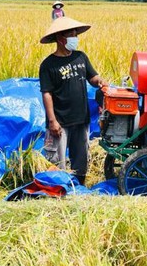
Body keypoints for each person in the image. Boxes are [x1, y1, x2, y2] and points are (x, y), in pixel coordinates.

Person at [39, 17, 107, 184]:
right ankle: (57, 189)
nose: (75, 38)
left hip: (81, 119)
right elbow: (46, 93)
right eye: (71, 35)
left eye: (76, 35)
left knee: (81, 159)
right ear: (61, 39)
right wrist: (52, 121)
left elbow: (92, 77)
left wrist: (100, 81)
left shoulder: (80, 57)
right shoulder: (48, 65)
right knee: (57, 161)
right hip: (60, 121)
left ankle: (79, 188)